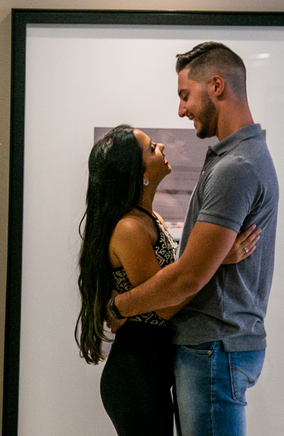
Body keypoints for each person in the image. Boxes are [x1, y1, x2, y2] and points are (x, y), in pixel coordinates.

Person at [108, 42, 279, 436]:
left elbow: (187, 278)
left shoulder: (235, 166)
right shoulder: (239, 158)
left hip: (212, 347)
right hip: (216, 346)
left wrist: (118, 305)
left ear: (216, 86)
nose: (181, 110)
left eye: (185, 95)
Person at [76, 125, 260, 436]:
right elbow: (165, 305)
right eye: (151, 148)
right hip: (136, 371)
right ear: (138, 174)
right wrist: (218, 259)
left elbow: (169, 287)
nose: (161, 146)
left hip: (150, 368)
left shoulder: (150, 219)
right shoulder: (130, 229)